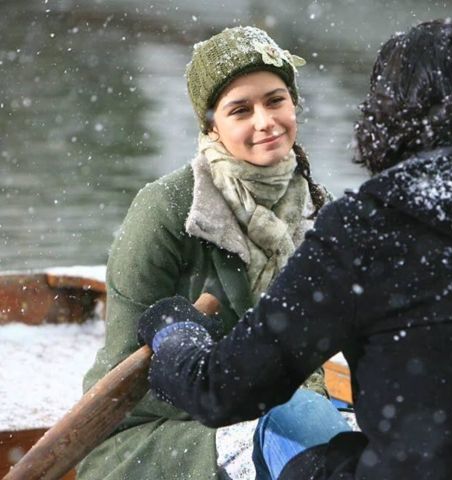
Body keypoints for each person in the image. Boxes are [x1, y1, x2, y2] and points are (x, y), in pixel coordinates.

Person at [136, 20, 452, 480]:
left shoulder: (365, 228)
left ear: (385, 119)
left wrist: (174, 330)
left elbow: (223, 391)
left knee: (294, 426)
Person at [77, 26, 341, 480]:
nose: (266, 121)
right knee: (300, 425)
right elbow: (126, 383)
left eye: (275, 100)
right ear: (211, 125)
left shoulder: (317, 209)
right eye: (241, 110)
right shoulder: (167, 209)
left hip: (291, 414)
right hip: (159, 438)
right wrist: (234, 391)